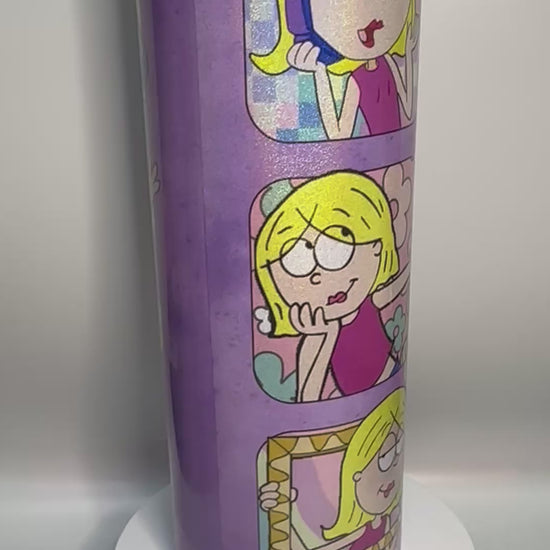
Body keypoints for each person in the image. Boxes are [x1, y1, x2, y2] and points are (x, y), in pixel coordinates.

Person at [255, 172, 409, 402]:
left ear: (377, 246)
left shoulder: (368, 302)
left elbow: (394, 287)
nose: (318, 276)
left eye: (337, 249)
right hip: (350, 401)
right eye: (296, 261)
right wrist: (325, 334)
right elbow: (308, 399)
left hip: (387, 384)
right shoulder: (316, 336)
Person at [259, 389, 405, 550]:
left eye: (398, 448)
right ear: (356, 475)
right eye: (385, 457)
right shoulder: (361, 532)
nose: (393, 465)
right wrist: (284, 510)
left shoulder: (386, 521)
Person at [251, 0, 417, 139]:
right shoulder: (357, 80)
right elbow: (338, 135)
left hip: (393, 157)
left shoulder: (387, 61)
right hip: (372, 160)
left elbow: (407, 108)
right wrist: (319, 72)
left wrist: (408, 52)